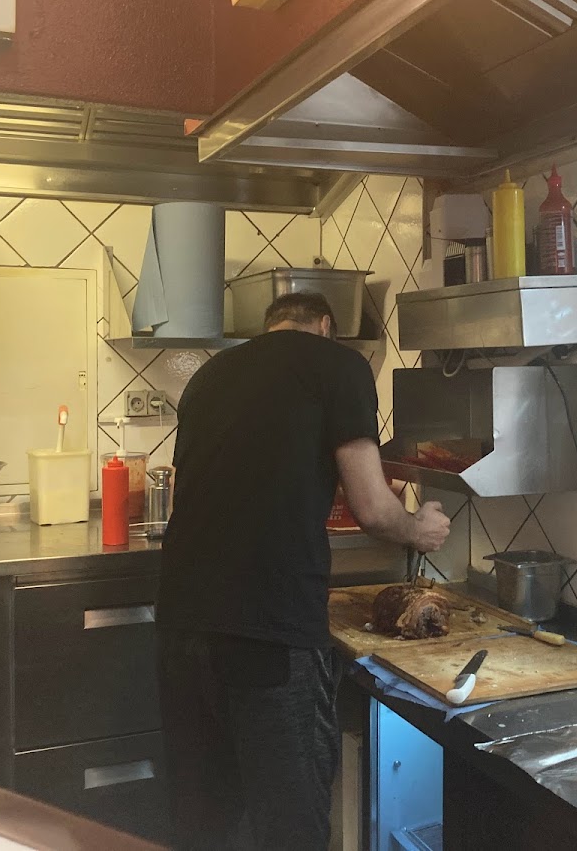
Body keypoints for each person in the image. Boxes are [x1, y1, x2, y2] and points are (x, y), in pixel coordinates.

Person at [156, 292, 451, 851]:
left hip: (181, 625)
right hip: (270, 630)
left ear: (270, 327)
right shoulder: (338, 364)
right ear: (326, 326)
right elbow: (372, 508)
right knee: (291, 827)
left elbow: (193, 492)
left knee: (203, 825)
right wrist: (420, 528)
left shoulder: (210, 374)